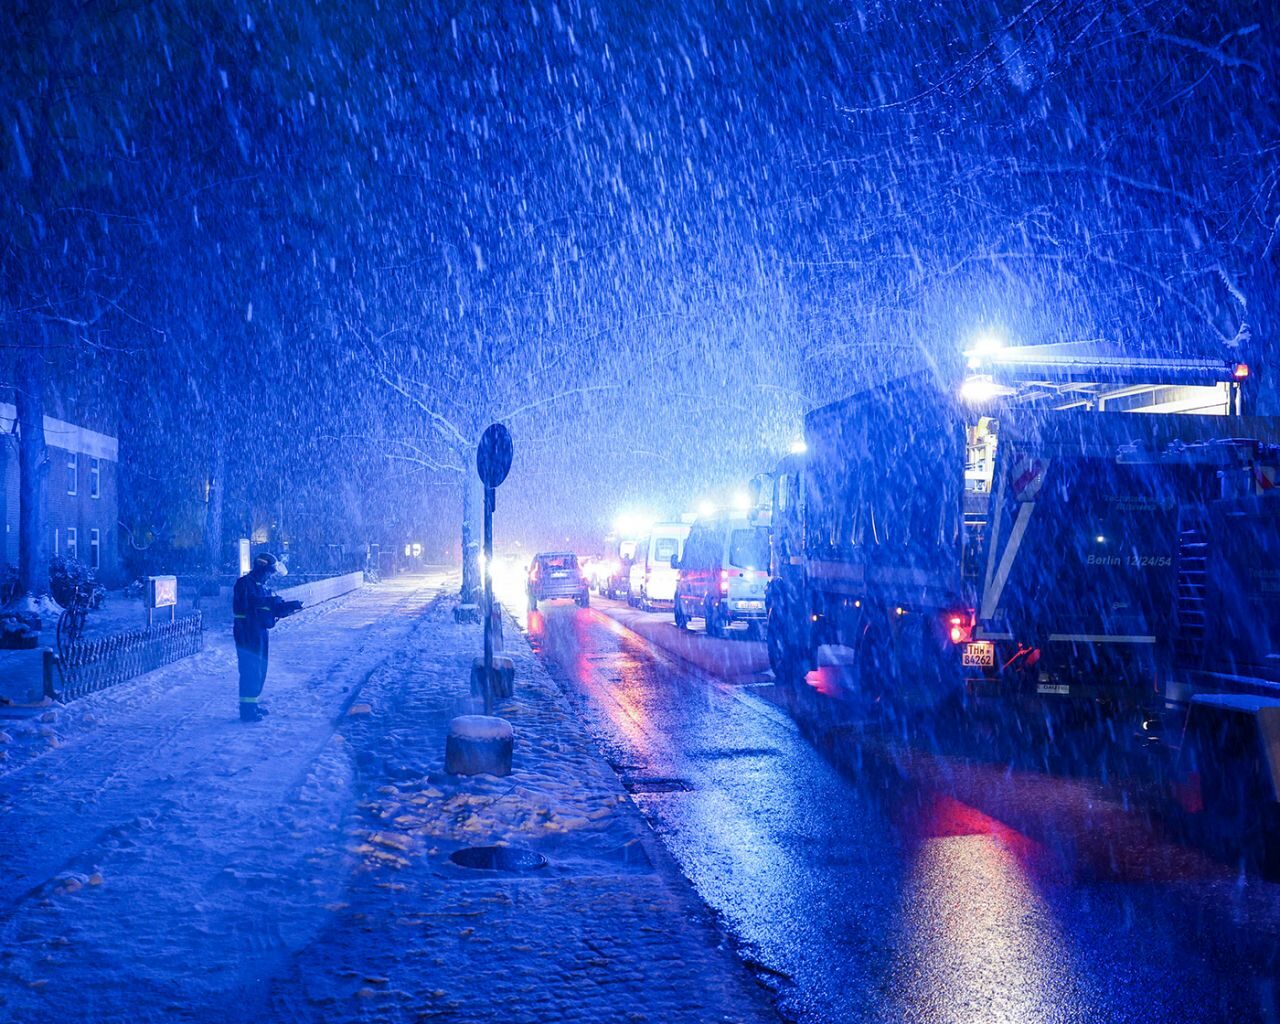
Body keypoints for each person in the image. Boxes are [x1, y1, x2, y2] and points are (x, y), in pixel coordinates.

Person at [233, 553, 303, 722]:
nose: (270, 576)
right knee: (250, 669)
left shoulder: (261, 586)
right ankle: (247, 711)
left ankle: (253, 704)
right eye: (269, 572)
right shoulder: (244, 583)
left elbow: (267, 608)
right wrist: (271, 602)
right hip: (247, 631)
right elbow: (248, 604)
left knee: (260, 669)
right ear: (261, 568)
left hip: (260, 631)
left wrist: (286, 607)